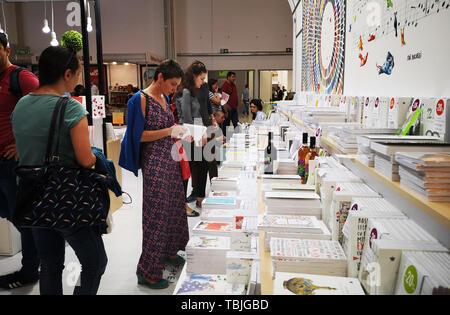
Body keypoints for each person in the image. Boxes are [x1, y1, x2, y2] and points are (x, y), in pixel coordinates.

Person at [11, 45, 107, 295]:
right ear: (66, 74)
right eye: (77, 74)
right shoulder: (71, 108)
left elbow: (24, 149)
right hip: (66, 198)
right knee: (95, 261)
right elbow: (86, 160)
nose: (77, 80)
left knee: (50, 264)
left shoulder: (21, 105)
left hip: (32, 197)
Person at [121, 59, 189, 289]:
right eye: (172, 84)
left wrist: (177, 132)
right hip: (155, 164)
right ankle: (148, 271)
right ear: (159, 78)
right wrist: (169, 131)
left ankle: (170, 251)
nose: (174, 89)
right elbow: (137, 136)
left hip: (170, 161)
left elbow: (166, 130)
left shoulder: (165, 98)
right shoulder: (139, 100)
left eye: (177, 85)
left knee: (173, 209)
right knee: (156, 216)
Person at [0, 32, 40, 291]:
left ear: (6, 49)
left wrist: (23, 145)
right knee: (10, 214)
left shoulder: (21, 77)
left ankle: (29, 269)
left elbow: (48, 107)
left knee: (22, 217)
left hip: (11, 162)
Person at [176, 61, 209, 211]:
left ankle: (200, 197)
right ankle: (182, 203)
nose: (203, 83)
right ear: (194, 76)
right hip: (188, 136)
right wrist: (200, 133)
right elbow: (187, 119)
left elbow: (196, 116)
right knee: (186, 169)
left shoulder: (193, 91)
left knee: (201, 165)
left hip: (195, 134)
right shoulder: (186, 93)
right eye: (201, 79)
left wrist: (203, 128)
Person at [221, 71, 239, 136]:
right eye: (232, 77)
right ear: (228, 77)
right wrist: (226, 111)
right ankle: (226, 139)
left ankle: (238, 137)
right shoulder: (225, 86)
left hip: (234, 108)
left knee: (236, 124)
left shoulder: (233, 85)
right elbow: (223, 100)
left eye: (234, 77)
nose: (234, 78)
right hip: (228, 109)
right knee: (227, 125)